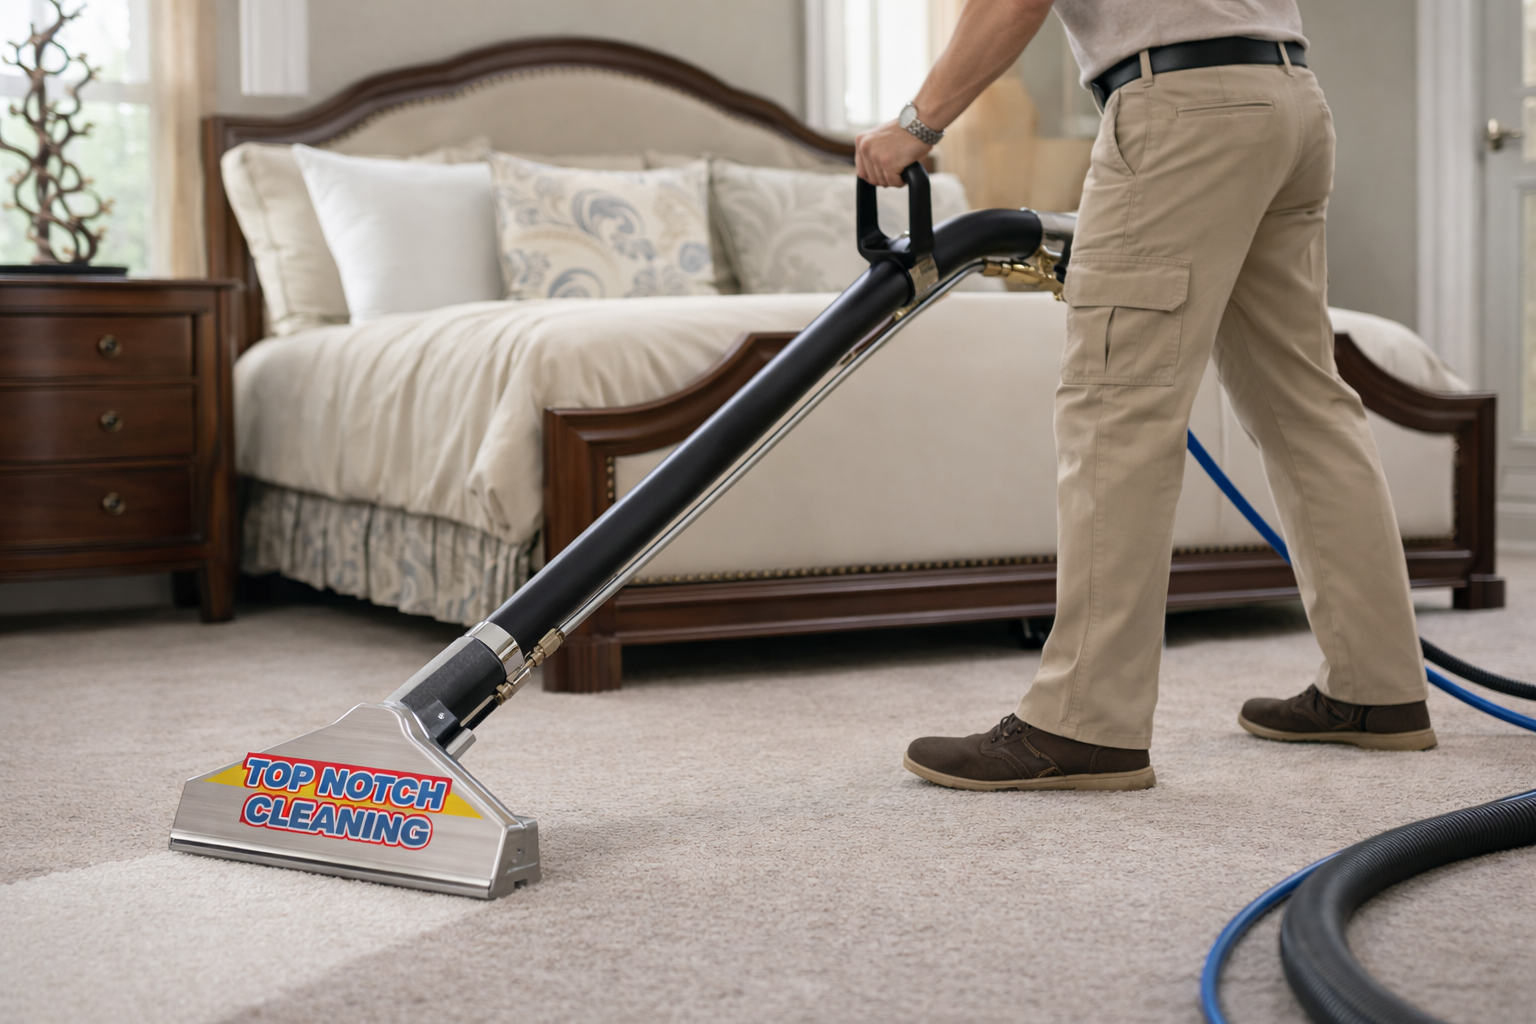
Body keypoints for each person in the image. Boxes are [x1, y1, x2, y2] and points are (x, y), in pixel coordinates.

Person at [857, 0, 1436, 792]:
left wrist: (917, 125)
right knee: (1305, 407)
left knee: (1116, 407)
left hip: (1181, 110)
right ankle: (1379, 691)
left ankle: (1085, 721)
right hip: (1289, 98)